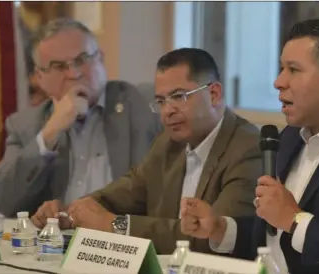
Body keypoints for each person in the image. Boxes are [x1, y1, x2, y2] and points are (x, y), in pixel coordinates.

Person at [180, 19, 319, 274]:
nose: (278, 82)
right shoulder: (289, 137)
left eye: (293, 70)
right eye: (281, 68)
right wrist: (221, 229)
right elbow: (274, 237)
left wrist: (296, 220)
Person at [31, 48, 261, 255]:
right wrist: (68, 214)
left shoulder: (248, 147)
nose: (167, 112)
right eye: (161, 101)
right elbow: (122, 193)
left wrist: (116, 226)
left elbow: (209, 237)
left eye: (179, 97)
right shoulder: (169, 144)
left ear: (214, 94)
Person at [0, 18, 161, 218]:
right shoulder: (25, 125)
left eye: (82, 59)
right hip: (56, 244)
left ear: (101, 59)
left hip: (125, 239)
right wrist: (50, 133)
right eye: (58, 66)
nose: (73, 73)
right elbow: (2, 201)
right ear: (39, 77)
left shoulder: (145, 105)